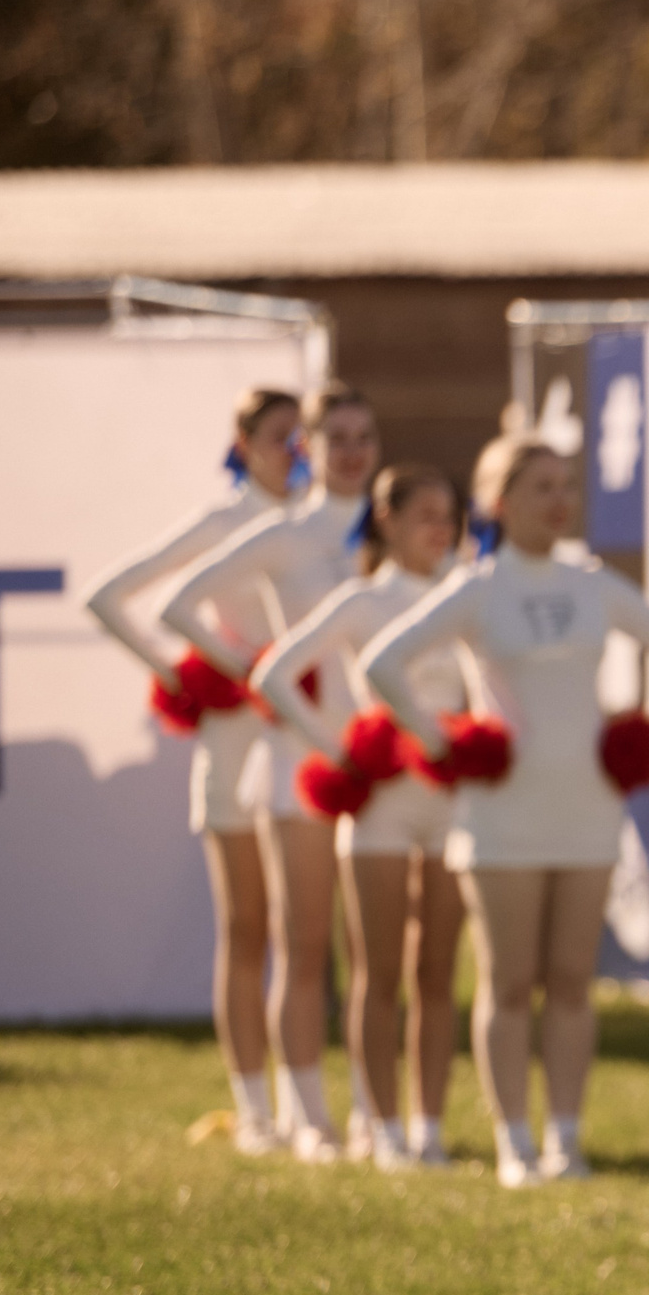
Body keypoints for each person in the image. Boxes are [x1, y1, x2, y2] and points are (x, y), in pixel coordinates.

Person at [363, 435, 649, 1189]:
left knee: (572, 981)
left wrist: (646, 732)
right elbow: (382, 664)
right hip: (500, 816)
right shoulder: (478, 589)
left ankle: (567, 1137)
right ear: (499, 502)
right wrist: (444, 743)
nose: (560, 501)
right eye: (540, 488)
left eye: (565, 486)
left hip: (586, 809)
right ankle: (513, 1142)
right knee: (509, 981)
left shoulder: (593, 583)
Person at [158, 383, 381, 1163]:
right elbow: (179, 606)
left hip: (382, 764)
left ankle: (374, 1118)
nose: (353, 451)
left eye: (365, 436)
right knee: (301, 941)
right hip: (301, 762)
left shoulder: (388, 528)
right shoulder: (281, 535)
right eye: (336, 437)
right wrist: (244, 672)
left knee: (374, 951)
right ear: (305, 449)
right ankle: (302, 1115)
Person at [81, 386, 301, 1156]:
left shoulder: (321, 529)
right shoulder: (222, 525)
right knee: (247, 928)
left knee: (307, 933)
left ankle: (312, 1107)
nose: (295, 449)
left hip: (304, 747)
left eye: (301, 435)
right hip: (237, 742)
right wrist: (201, 674)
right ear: (242, 442)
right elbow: (110, 598)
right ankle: (254, 1108)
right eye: (280, 436)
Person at [251, 465, 470, 1172]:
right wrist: (342, 752)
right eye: (425, 514)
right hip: (378, 805)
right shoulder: (360, 601)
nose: (441, 527)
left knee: (437, 972)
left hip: (451, 806)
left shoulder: (467, 596)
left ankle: (429, 1126)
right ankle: (380, 1126)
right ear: (388, 521)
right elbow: (275, 675)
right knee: (376, 972)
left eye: (450, 514)